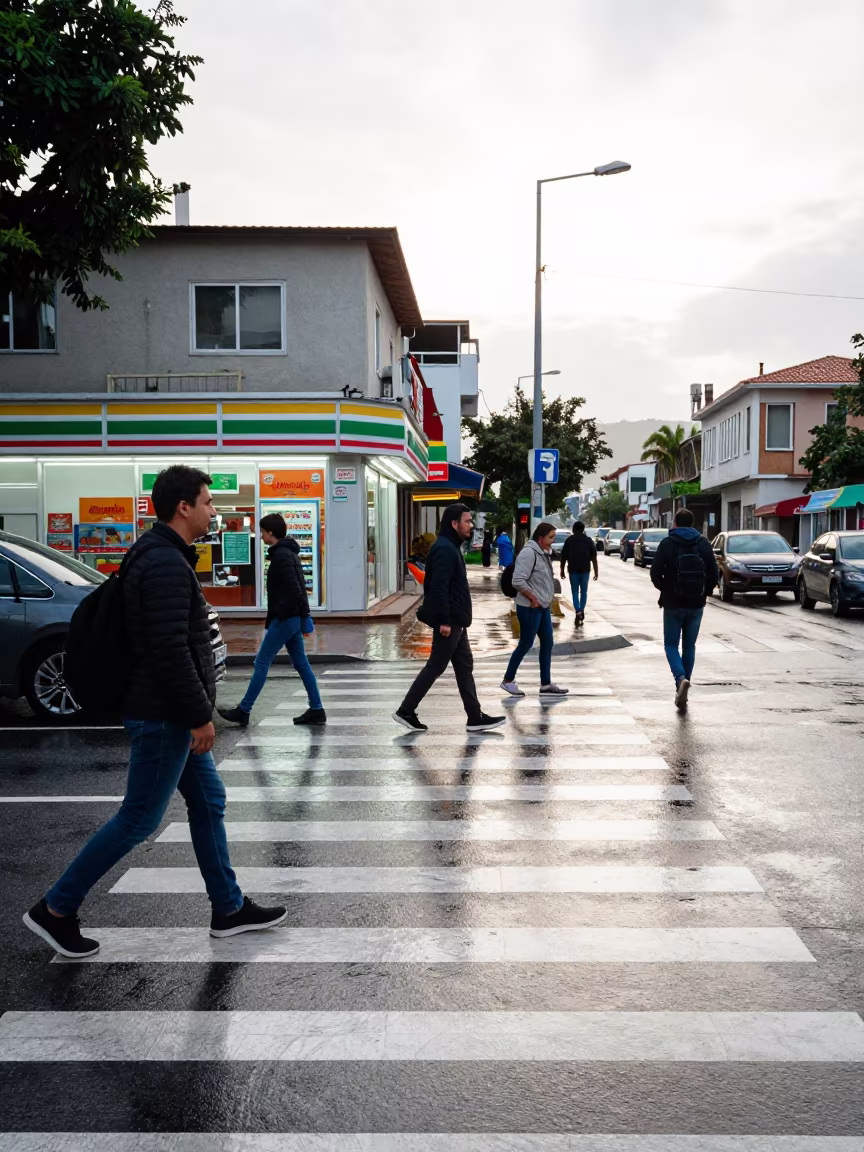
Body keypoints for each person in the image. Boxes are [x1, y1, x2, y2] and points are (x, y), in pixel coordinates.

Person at [23, 465, 287, 959]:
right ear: (183, 507)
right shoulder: (164, 562)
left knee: (208, 801)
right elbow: (168, 650)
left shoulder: (161, 554)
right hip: (163, 713)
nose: (213, 510)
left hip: (166, 709)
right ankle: (56, 908)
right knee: (140, 818)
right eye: (207, 502)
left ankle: (229, 909)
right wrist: (199, 715)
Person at [393, 503, 506, 733]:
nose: (471, 525)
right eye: (467, 521)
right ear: (454, 523)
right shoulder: (445, 549)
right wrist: (444, 620)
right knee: (436, 665)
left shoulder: (450, 546)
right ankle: (406, 710)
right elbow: (439, 587)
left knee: (464, 665)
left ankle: (474, 717)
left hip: (457, 620)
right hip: (450, 620)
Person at [219, 513, 325, 727]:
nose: (260, 535)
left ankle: (244, 710)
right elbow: (300, 587)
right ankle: (317, 709)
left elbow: (296, 589)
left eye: (262, 531)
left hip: (285, 618)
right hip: (291, 617)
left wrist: (305, 616)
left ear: (271, 532)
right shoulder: (289, 553)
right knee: (301, 663)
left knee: (262, 661)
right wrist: (303, 616)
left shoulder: (281, 556)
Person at [650, 507, 719, 710]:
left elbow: (655, 573)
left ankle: (680, 680)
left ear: (675, 523)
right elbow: (714, 574)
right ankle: (685, 682)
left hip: (673, 602)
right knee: (689, 646)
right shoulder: (703, 543)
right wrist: (705, 592)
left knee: (671, 645)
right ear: (692, 523)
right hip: (696, 603)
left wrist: (665, 589)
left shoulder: (667, 543)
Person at [501, 522, 569, 697]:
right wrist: (533, 597)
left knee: (547, 642)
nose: (553, 541)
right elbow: (517, 580)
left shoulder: (542, 553)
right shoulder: (529, 553)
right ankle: (508, 680)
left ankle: (546, 683)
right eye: (551, 537)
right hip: (530, 606)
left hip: (543, 606)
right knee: (526, 643)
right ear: (540, 538)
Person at [560, 521, 598, 626]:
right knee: (584, 592)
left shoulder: (569, 540)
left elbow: (563, 557)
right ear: (583, 529)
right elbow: (594, 558)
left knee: (575, 591)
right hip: (585, 570)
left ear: (573, 529)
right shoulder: (589, 541)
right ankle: (581, 610)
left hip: (573, 570)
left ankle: (578, 611)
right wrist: (596, 572)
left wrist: (562, 570)